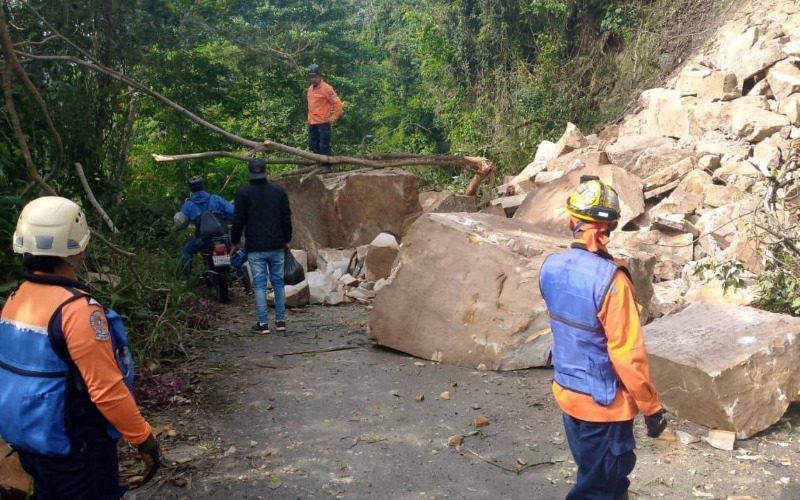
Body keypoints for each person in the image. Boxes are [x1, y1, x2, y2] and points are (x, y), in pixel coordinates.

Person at [0, 196, 160, 499]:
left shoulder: (15, 300)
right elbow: (106, 390)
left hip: (32, 442)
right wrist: (144, 439)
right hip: (77, 448)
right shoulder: (77, 311)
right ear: (80, 248)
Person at [538, 176, 667, 500]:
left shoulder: (550, 268)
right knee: (599, 490)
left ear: (571, 220)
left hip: (568, 394)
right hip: (604, 407)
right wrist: (651, 409)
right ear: (610, 227)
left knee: (599, 479)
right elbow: (627, 355)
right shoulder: (612, 281)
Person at [231, 159, 293, 334]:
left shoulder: (243, 193)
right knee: (278, 283)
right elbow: (286, 218)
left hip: (255, 246)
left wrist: (234, 242)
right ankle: (280, 321)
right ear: (265, 172)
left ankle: (263, 324)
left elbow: (238, 221)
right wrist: (287, 239)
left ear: (250, 173)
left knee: (259, 284)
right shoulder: (278, 192)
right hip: (276, 244)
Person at [174, 175, 234, 281]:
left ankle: (184, 280)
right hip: (222, 237)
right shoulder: (216, 199)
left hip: (203, 239)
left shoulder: (188, 205)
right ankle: (238, 272)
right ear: (203, 185)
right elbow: (233, 212)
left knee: (187, 252)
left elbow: (181, 224)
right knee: (235, 250)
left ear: (190, 188)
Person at [306, 63, 342, 174]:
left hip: (323, 123)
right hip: (312, 122)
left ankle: (326, 167)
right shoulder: (310, 89)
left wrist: (334, 117)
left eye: (315, 77)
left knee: (324, 146)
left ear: (319, 76)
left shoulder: (326, 88)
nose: (313, 79)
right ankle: (317, 165)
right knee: (313, 145)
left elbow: (337, 103)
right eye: (311, 77)